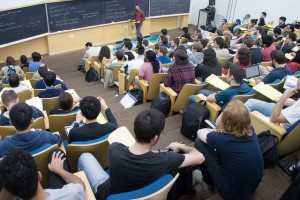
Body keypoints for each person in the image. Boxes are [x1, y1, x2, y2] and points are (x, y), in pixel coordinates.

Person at [78, 109, 205, 200]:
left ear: (135, 130)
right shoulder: (166, 160)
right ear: (155, 138)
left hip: (107, 192)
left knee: (85, 156)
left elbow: (132, 151)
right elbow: (200, 158)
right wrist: (181, 146)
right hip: (127, 192)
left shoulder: (114, 149)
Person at [195, 100, 263, 200]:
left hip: (230, 193)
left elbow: (200, 132)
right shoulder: (251, 130)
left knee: (199, 142)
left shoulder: (221, 139)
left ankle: (207, 182)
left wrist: (217, 130)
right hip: (250, 189)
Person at [0, 149, 85, 200]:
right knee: (56, 152)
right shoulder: (73, 193)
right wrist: (59, 170)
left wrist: (9, 182)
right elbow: (80, 184)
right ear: (39, 175)